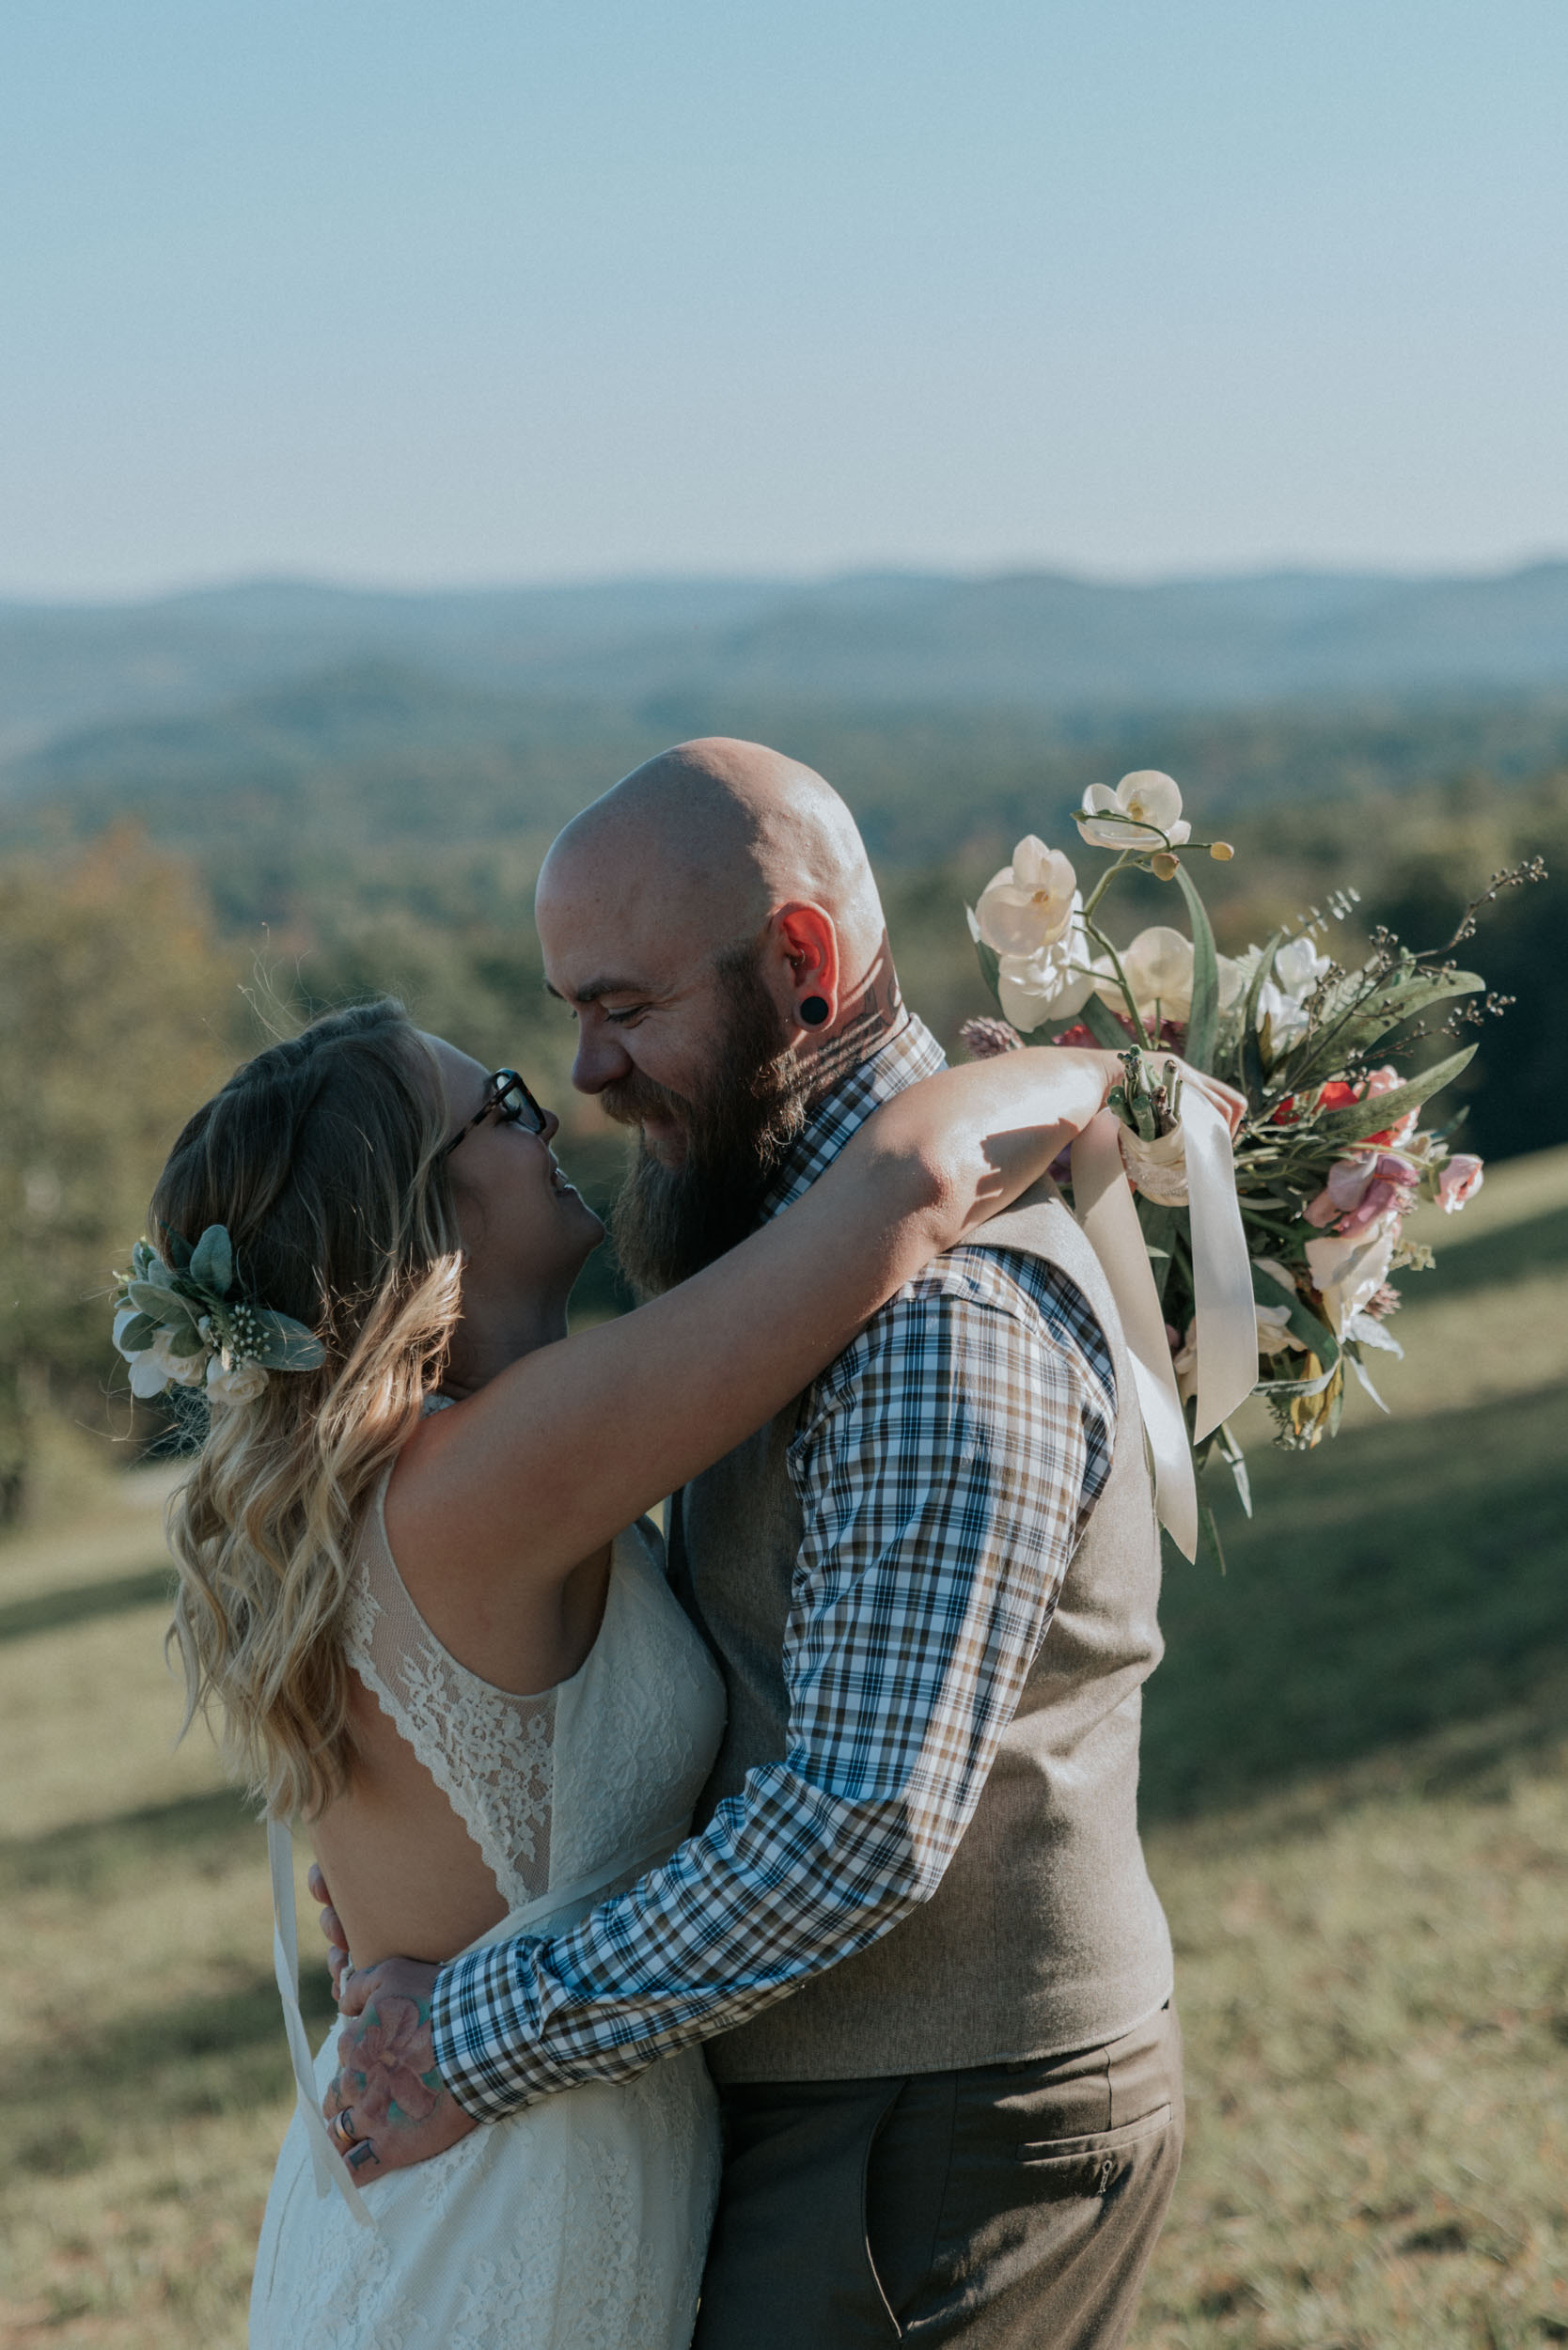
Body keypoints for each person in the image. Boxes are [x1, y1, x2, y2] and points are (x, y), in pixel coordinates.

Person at [321, 740, 1246, 2348]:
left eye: (625, 1006)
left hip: (935, 2127)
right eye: (567, 1020)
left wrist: (459, 2039)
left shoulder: (935, 1322)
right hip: (840, 2108)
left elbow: (863, 1824)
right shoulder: (787, 1258)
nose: (592, 1073)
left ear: (803, 967)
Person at [134, 988, 1144, 2349]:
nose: (546, 1107)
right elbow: (906, 1185)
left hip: (480, 2174)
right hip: (512, 2198)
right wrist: (1101, 1060)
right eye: (495, 1103)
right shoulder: (488, 1470)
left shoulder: (410, 1485)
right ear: (424, 1215)